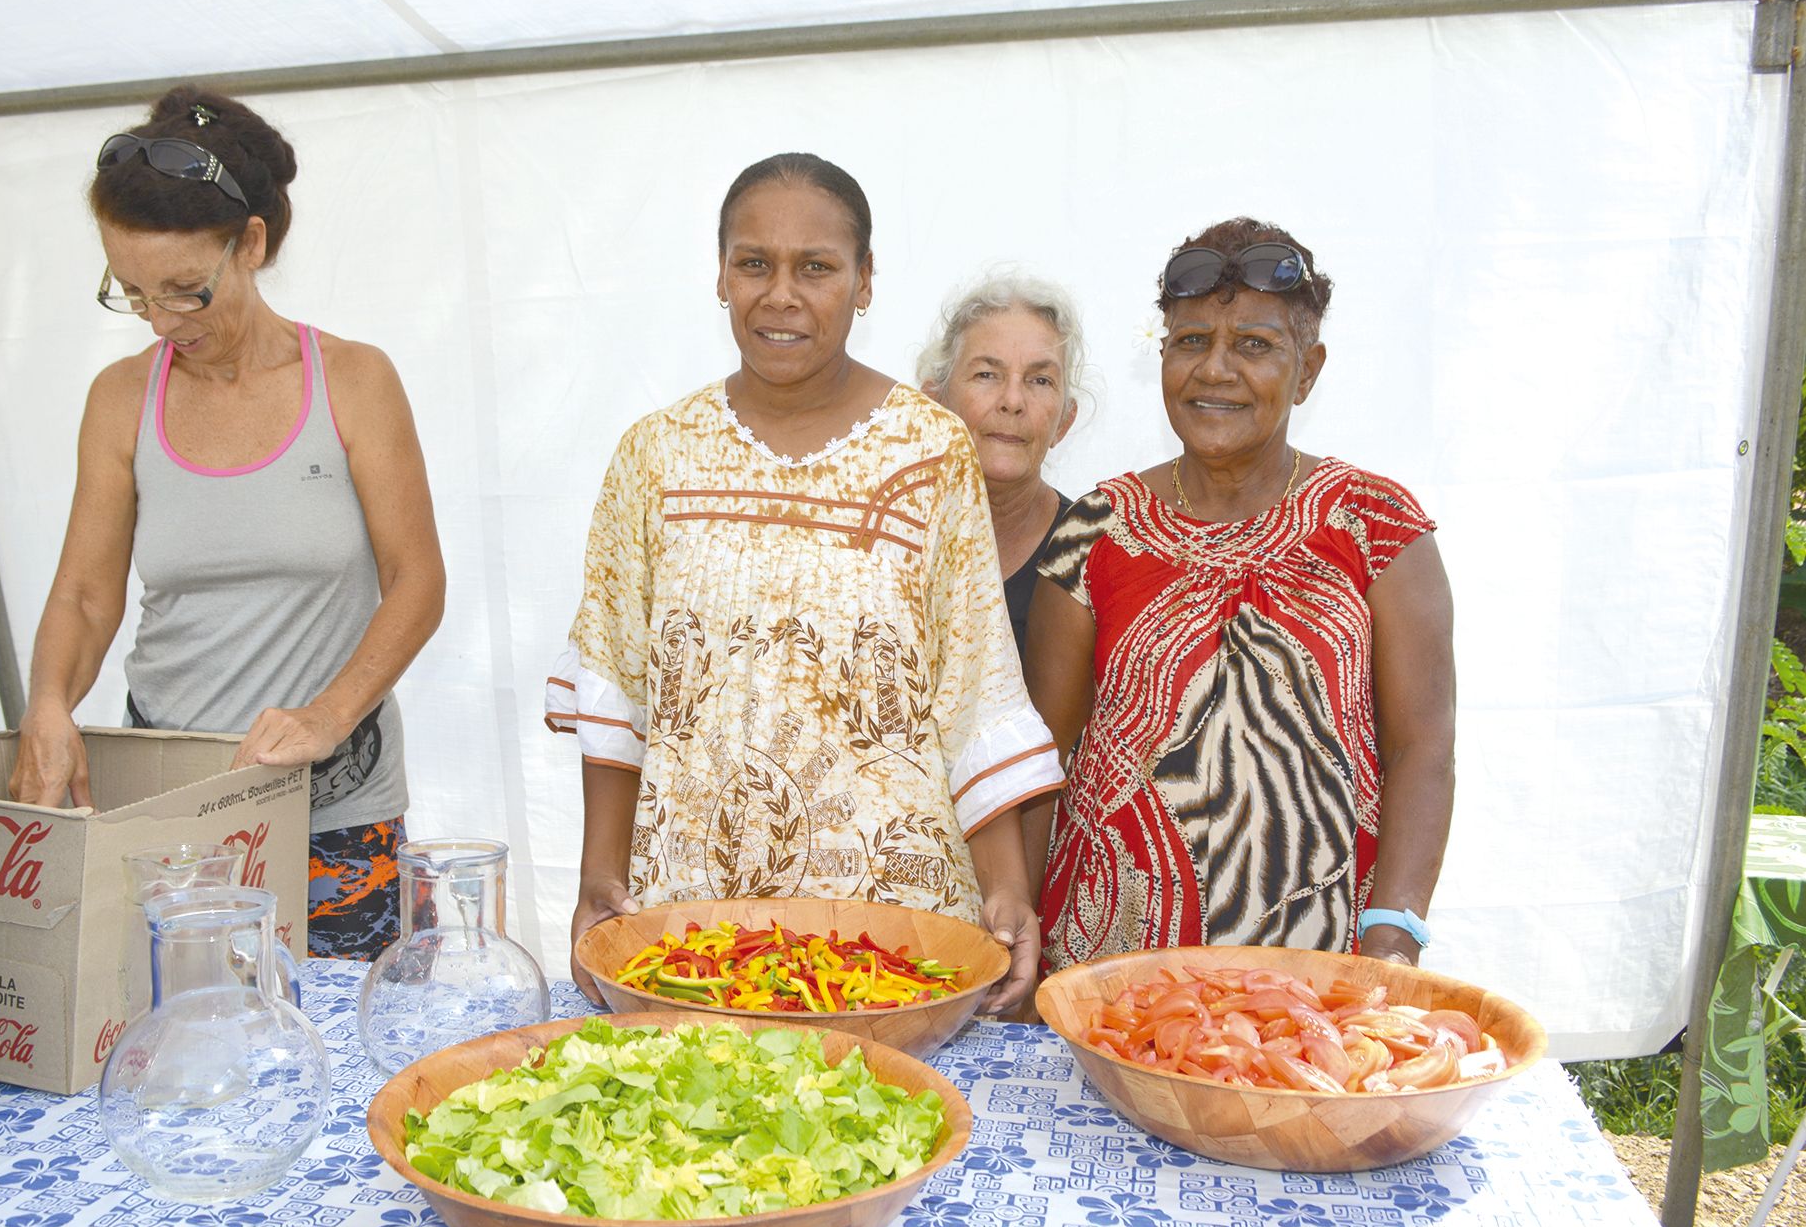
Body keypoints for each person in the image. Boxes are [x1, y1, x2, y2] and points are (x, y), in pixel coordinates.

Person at [550, 152, 1063, 1011]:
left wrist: (1005, 890)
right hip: (693, 928)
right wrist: (599, 872)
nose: (781, 294)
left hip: (889, 936)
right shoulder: (655, 455)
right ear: (719, 275)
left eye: (816, 268)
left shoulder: (930, 451)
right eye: (755, 263)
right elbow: (618, 683)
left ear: (864, 282)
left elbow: (974, 691)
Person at [8, 86, 445, 961]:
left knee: (342, 1050)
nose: (163, 322)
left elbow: (417, 582)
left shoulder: (353, 381)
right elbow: (88, 594)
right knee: (182, 1039)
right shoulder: (121, 399)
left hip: (335, 807)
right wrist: (47, 703)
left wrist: (327, 715)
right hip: (169, 800)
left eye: (185, 291)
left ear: (250, 245)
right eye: (130, 293)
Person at [1026, 218, 1454, 971]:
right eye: (1190, 342)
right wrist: (1020, 939)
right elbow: (1040, 761)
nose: (1214, 370)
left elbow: (1422, 747)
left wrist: (1394, 929)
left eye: (1253, 345)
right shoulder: (1094, 531)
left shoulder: (1375, 526)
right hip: (1107, 976)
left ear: (1308, 369)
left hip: (1312, 972)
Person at [918, 272, 1085, 650]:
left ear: (1064, 421)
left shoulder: (1092, 557)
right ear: (934, 404)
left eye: (1040, 380)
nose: (1012, 400)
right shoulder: (886, 536)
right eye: (986, 374)